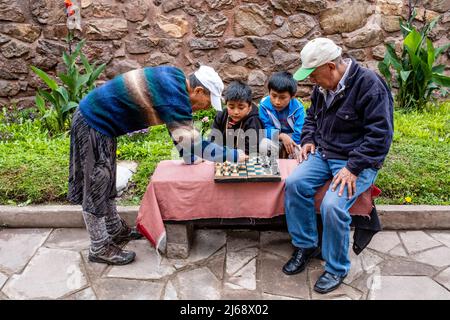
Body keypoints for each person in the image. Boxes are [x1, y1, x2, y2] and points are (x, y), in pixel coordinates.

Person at [68, 65, 246, 265]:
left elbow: (182, 138)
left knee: (106, 179)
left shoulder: (175, 78)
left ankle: (114, 229)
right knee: (97, 183)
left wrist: (191, 156)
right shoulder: (175, 99)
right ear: (198, 91)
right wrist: (231, 155)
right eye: (205, 104)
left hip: (101, 123)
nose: (202, 109)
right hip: (93, 121)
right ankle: (99, 246)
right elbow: (192, 143)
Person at [283, 38, 394, 293]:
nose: (311, 80)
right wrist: (309, 139)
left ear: (331, 66)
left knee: (333, 205)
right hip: (324, 154)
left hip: (358, 161)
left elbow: (380, 137)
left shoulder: (370, 85)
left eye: (313, 74)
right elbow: (311, 118)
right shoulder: (321, 89)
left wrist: (353, 167)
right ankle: (306, 244)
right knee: (294, 183)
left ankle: (336, 268)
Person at [210, 81, 264, 156]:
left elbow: (252, 149)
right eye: (231, 107)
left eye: (241, 107)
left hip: (245, 159)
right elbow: (213, 138)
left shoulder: (254, 121)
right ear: (226, 104)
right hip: (222, 157)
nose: (236, 112)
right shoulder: (221, 115)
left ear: (249, 107)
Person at [258, 71, 305, 159]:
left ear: (292, 96)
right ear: (269, 92)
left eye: (283, 97)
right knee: (264, 144)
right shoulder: (264, 105)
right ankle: (270, 170)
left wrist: (289, 144)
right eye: (273, 96)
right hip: (276, 138)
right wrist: (282, 136)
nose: (277, 102)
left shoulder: (298, 108)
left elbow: (299, 132)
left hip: (294, 140)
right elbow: (265, 128)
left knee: (299, 153)